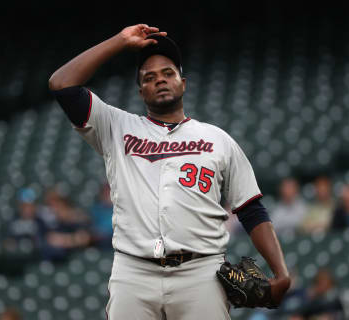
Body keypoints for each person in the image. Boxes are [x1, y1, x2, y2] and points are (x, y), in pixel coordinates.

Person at [48, 24, 290, 319]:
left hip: (201, 272)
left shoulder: (218, 140)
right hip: (133, 271)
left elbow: (251, 209)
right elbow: (62, 84)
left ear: (183, 83)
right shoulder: (116, 127)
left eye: (168, 74)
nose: (160, 81)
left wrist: (281, 271)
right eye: (149, 78)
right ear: (141, 91)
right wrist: (120, 42)